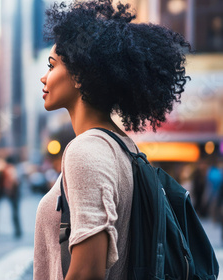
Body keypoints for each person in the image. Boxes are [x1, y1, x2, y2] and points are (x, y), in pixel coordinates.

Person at [33, 0, 192, 279]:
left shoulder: (86, 149)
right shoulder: (124, 147)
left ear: (80, 76)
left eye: (52, 65)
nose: (44, 77)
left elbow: (87, 272)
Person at [0, 156, 22, 238]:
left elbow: (10, 182)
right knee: (14, 213)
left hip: (10, 193)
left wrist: (7, 191)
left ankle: (17, 231)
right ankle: (17, 231)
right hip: (10, 193)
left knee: (13, 213)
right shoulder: (12, 170)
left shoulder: (7, 169)